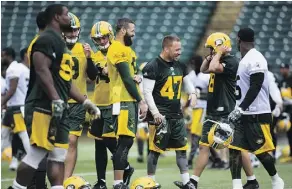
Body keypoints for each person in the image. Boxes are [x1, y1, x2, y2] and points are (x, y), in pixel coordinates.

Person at [8, 4, 99, 189]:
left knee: (58, 155)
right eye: (66, 14)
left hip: (60, 106)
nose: (70, 17)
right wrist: (56, 98)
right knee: (36, 152)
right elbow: (42, 71)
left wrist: (85, 101)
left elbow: (64, 80)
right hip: (43, 105)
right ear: (57, 17)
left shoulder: (60, 43)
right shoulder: (45, 39)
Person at [228, 27, 284, 189]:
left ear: (239, 40)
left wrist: (241, 107)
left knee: (261, 151)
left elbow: (256, 85)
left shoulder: (256, 57)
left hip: (257, 114)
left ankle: (276, 180)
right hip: (243, 114)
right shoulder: (244, 59)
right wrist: (238, 109)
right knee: (234, 148)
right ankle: (237, 185)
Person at [142, 35, 197, 189]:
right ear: (166, 48)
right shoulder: (153, 66)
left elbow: (187, 84)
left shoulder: (180, 65)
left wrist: (192, 93)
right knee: (155, 150)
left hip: (176, 114)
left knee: (181, 149)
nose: (180, 52)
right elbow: (147, 93)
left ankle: (187, 183)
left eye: (180, 49)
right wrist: (155, 113)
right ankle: (150, 182)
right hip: (160, 116)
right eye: (176, 49)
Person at [187, 32, 239, 189]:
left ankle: (245, 182)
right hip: (212, 110)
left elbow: (213, 67)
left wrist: (218, 54)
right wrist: (212, 55)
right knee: (204, 146)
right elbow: (204, 69)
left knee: (235, 149)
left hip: (226, 110)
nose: (209, 51)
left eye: (211, 48)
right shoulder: (217, 59)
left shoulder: (231, 60)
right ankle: (193, 182)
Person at [107, 17, 148, 189]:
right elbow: (125, 78)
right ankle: (118, 183)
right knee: (125, 141)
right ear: (123, 31)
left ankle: (121, 178)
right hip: (123, 99)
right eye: (132, 31)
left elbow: (129, 76)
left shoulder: (125, 49)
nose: (134, 34)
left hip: (125, 99)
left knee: (125, 141)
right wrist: (141, 101)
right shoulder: (118, 48)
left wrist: (135, 77)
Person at [88, 20, 125, 189]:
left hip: (113, 101)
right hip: (98, 102)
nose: (101, 41)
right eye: (98, 39)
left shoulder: (117, 52)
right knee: (98, 143)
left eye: (104, 38)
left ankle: (124, 167)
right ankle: (101, 181)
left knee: (110, 139)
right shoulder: (95, 56)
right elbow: (92, 75)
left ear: (109, 36)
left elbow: (111, 72)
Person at [63, 12, 98, 180]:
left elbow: (92, 77)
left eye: (75, 30)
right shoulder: (55, 47)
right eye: (69, 30)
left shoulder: (83, 49)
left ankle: (65, 180)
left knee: (71, 141)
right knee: (53, 143)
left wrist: (90, 58)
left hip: (77, 103)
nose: (72, 33)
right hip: (58, 101)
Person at [1, 47, 30, 171]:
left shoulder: (13, 69)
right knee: (3, 135)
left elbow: (12, 88)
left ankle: (32, 160)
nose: (1, 58)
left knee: (23, 135)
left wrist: (2, 102)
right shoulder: (22, 69)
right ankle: (22, 160)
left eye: (2, 56)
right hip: (15, 106)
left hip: (16, 107)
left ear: (8, 56)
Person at [278, 63, 292, 163]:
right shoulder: (282, 81)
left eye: (284, 68)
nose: (283, 70)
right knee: (289, 133)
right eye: (281, 68)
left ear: (288, 69)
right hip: (287, 110)